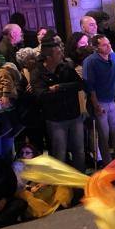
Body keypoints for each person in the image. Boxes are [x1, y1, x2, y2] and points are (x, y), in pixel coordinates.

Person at [31, 43, 86, 173]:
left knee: (79, 151)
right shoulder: (38, 72)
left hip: (74, 115)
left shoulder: (66, 67)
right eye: (58, 53)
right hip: (55, 120)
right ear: (49, 57)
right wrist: (59, 91)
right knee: (59, 153)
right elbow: (40, 95)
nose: (62, 54)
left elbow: (80, 84)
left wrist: (59, 87)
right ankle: (62, 188)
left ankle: (81, 184)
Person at [83, 35, 115, 166]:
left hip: (111, 100)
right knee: (104, 135)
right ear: (96, 47)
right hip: (99, 101)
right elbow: (89, 85)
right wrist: (96, 104)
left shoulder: (114, 57)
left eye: (109, 43)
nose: (109, 46)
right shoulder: (90, 61)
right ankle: (107, 163)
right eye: (104, 45)